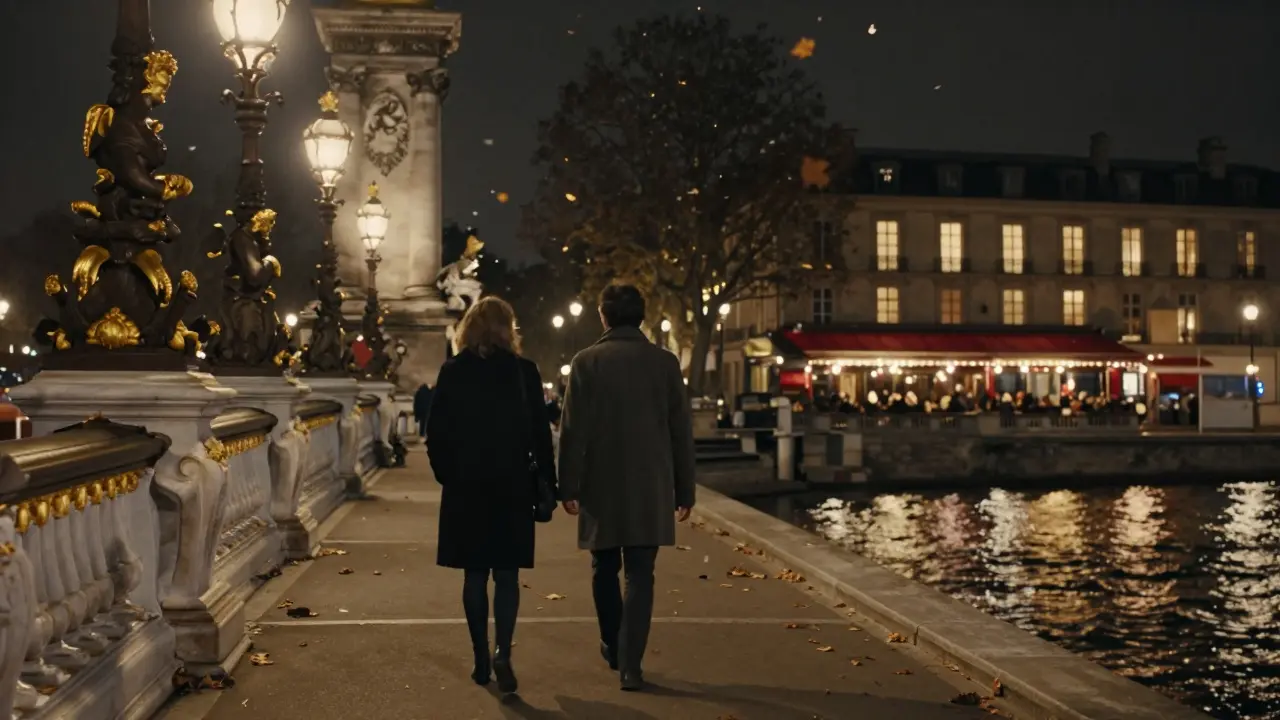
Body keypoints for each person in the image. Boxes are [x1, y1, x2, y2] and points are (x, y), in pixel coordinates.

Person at [557, 284, 696, 691]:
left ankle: (612, 642)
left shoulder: (586, 362)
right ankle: (630, 663)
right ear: (642, 316)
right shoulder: (665, 363)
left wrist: (568, 485)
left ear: (603, 316)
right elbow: (679, 431)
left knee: (603, 567)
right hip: (649, 483)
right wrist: (685, 489)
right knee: (641, 574)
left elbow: (572, 433)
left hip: (600, 480)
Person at [425, 297, 556, 694]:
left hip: (467, 485)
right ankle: (503, 651)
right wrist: (548, 483)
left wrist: (448, 474)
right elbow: (540, 436)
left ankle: (480, 653)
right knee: (507, 574)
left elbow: (437, 434)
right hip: (512, 482)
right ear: (508, 329)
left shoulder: (453, 371)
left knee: (474, 573)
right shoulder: (524, 372)